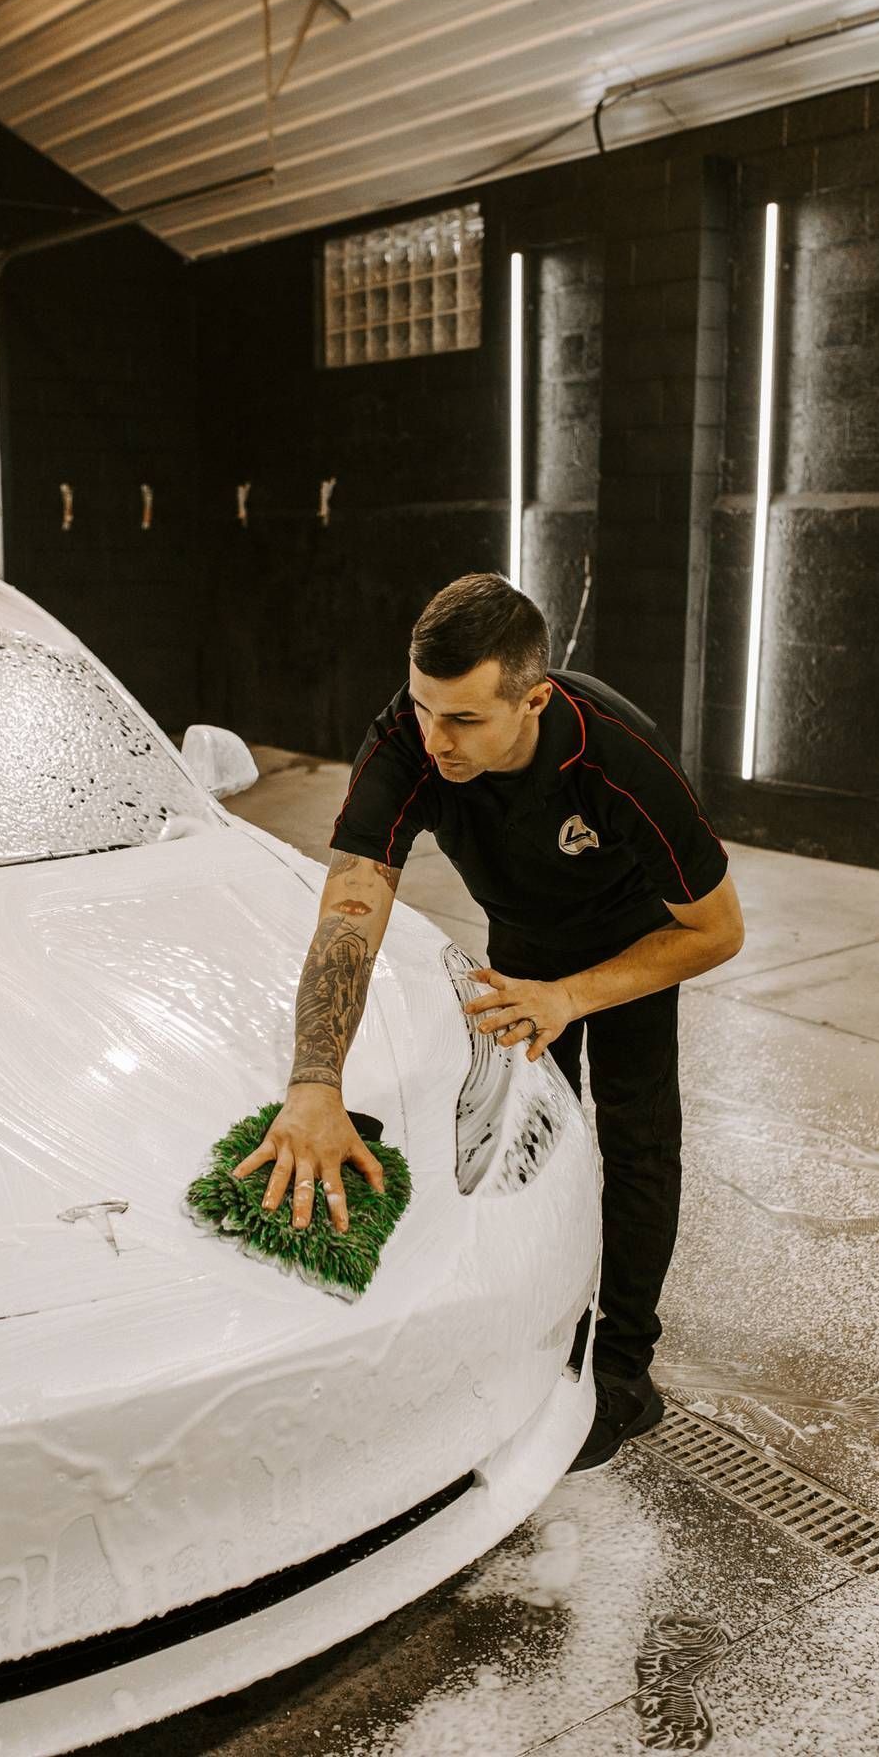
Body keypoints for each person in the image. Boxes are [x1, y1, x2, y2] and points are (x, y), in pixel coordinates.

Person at [234, 572, 744, 1470]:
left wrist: (570, 997)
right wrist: (314, 1083)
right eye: (424, 708)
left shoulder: (619, 759)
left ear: (533, 700)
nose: (435, 740)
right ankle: (537, 1319)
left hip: (632, 945)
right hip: (520, 932)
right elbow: (351, 908)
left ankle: (625, 1370)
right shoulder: (409, 736)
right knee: (515, 1134)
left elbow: (716, 929)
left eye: (464, 720)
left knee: (634, 1144)